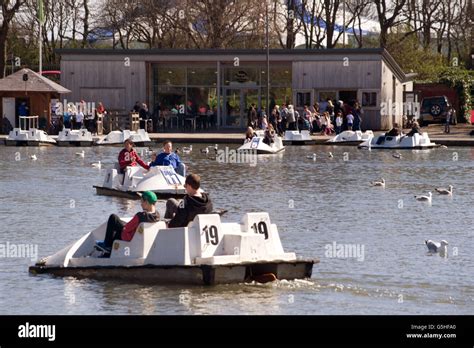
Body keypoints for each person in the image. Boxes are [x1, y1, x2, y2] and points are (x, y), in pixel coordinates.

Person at [96, 191, 160, 256]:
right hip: (141, 239)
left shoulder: (140, 216)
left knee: (113, 218)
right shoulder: (157, 216)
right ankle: (109, 246)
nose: (141, 204)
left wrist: (122, 225)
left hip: (130, 237)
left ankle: (107, 245)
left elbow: (126, 228)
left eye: (142, 201)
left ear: (146, 202)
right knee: (119, 224)